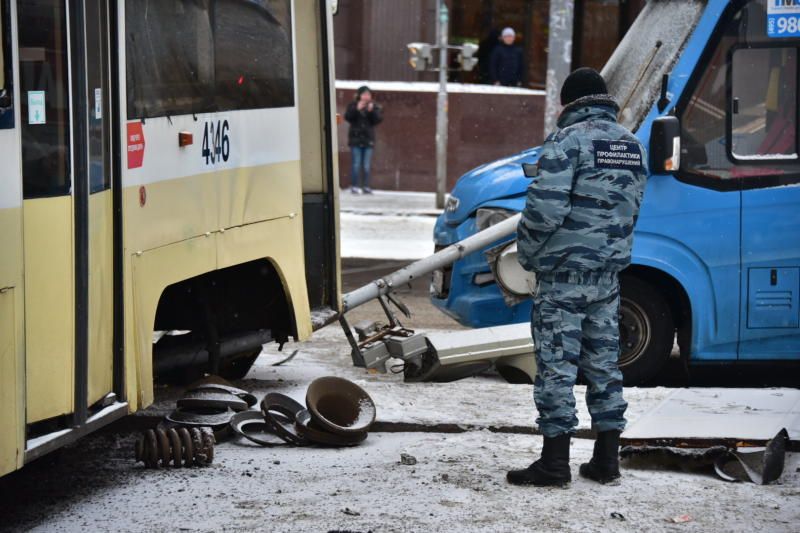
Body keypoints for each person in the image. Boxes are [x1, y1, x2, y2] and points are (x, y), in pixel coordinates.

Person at [507, 68, 648, 487]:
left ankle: (554, 463)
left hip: (564, 276)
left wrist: (528, 255)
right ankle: (606, 459)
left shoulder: (567, 142)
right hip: (608, 276)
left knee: (556, 365)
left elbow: (544, 210)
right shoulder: (631, 145)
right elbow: (631, 209)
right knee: (605, 364)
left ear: (569, 103)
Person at [344, 85, 383, 194]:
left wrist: (371, 111)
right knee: (356, 164)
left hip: (368, 140)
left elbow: (378, 120)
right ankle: (354, 186)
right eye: (364, 94)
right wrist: (357, 109)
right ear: (359, 95)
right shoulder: (353, 105)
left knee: (366, 165)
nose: (366, 97)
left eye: (368, 94)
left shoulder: (373, 106)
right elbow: (348, 117)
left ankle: (366, 186)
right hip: (355, 140)